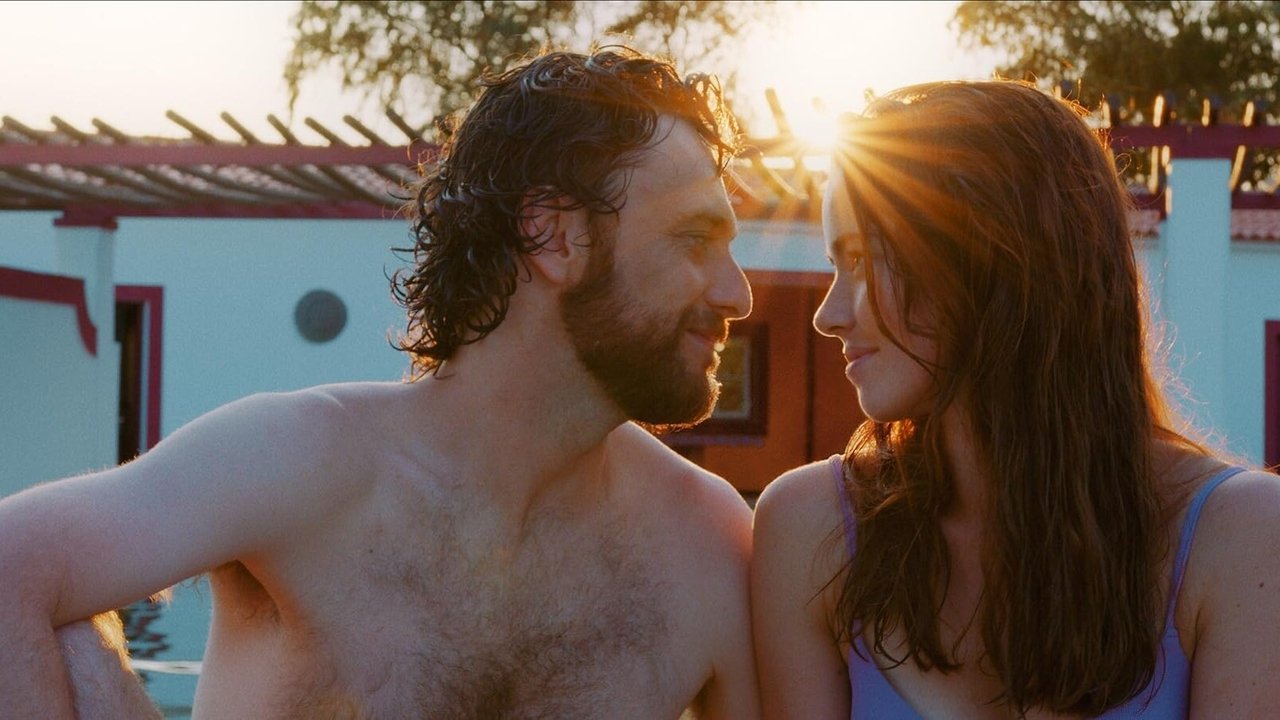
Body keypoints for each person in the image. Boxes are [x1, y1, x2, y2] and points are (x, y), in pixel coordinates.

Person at [0, 46, 761, 719]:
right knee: (70, 642)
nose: (739, 296)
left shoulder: (704, 547)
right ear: (554, 234)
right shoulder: (303, 464)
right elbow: (10, 565)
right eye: (695, 238)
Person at [750, 79, 1280, 719]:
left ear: (992, 259)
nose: (828, 315)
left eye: (861, 259)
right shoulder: (814, 530)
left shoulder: (1240, 538)